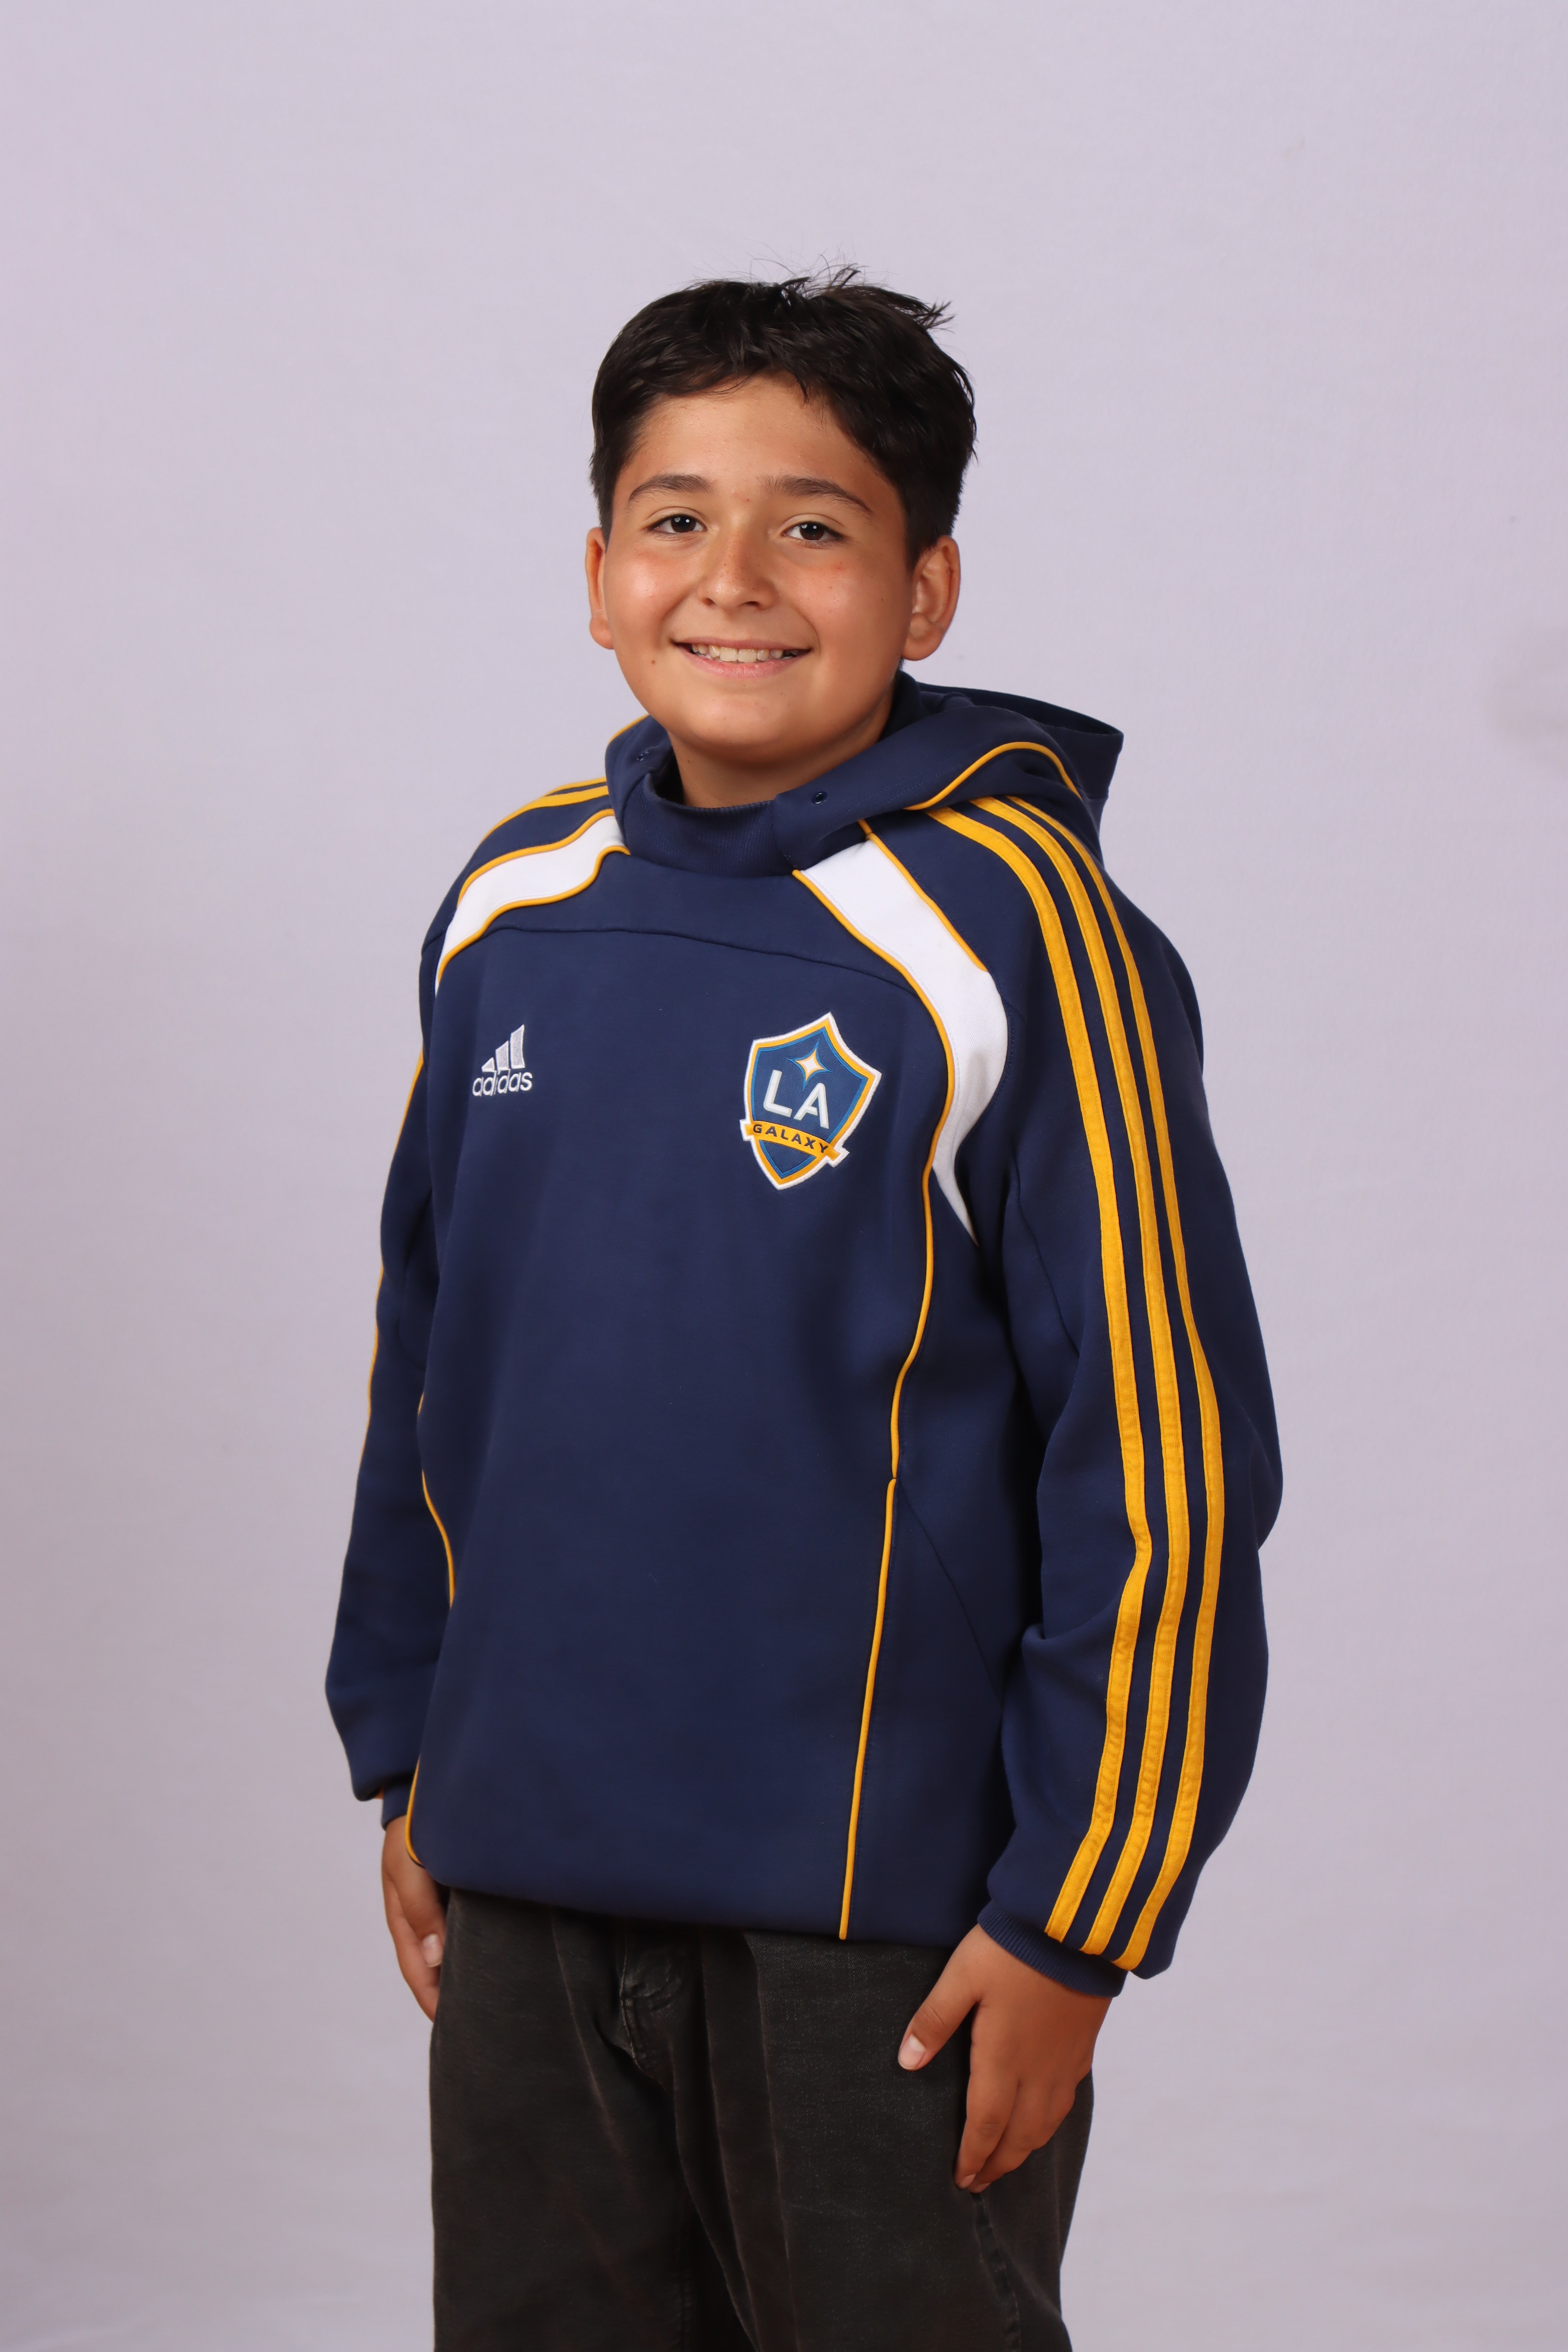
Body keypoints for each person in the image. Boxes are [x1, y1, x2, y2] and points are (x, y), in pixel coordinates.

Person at [326, 270, 1281, 2352]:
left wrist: (1081, 1917)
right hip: (524, 1867)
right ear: (598, 570)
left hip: (882, 1930)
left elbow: (1162, 1454)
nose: (733, 578)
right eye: (674, 518)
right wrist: (412, 1755)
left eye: (814, 526)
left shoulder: (1021, 934)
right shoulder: (510, 906)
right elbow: (432, 1360)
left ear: (925, 589)